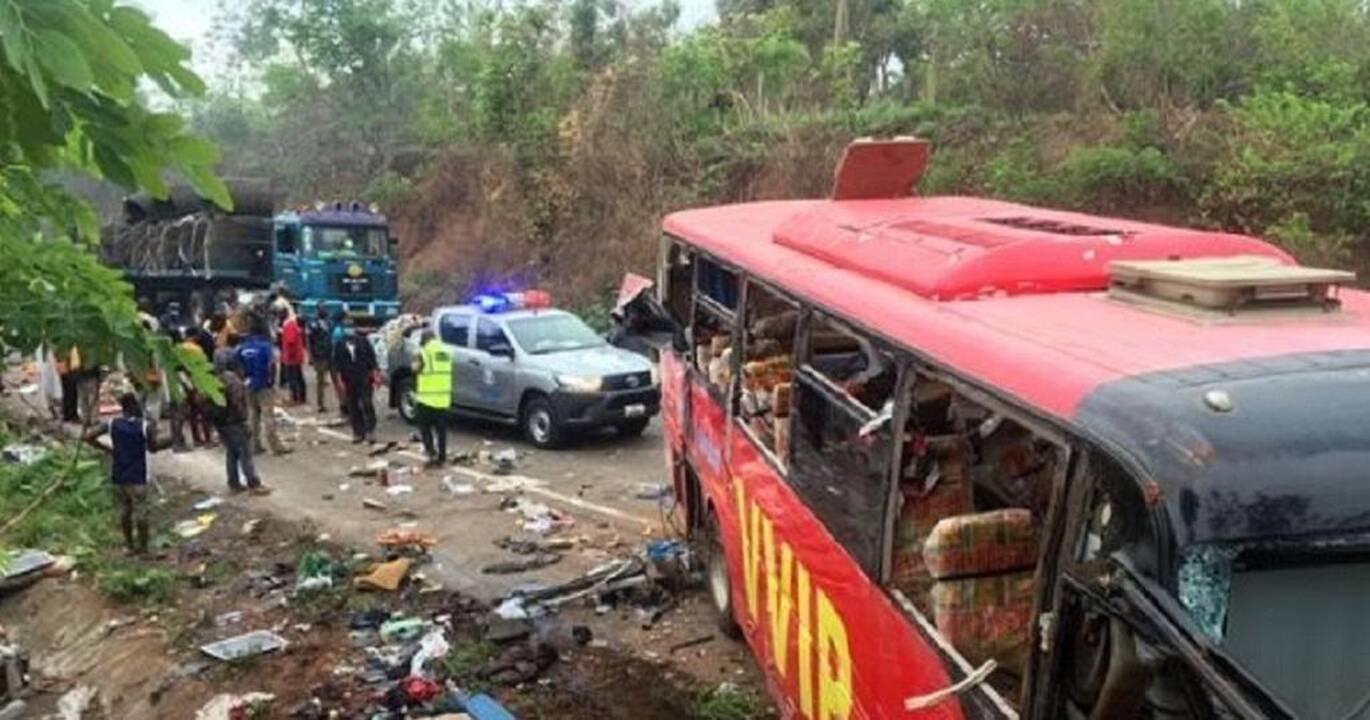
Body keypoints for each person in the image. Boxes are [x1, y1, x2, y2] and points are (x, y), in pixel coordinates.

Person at [83, 392, 168, 555]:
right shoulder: (144, 426)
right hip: (139, 475)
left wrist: (108, 449)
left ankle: (129, 545)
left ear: (122, 408)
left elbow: (88, 436)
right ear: (137, 407)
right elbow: (153, 447)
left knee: (124, 510)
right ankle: (143, 547)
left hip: (119, 473)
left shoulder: (113, 423)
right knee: (141, 511)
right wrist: (171, 440)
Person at [208, 356, 269, 495]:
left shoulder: (212, 380)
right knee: (245, 452)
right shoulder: (231, 379)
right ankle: (253, 483)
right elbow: (237, 402)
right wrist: (244, 420)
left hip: (219, 422)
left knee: (232, 452)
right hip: (233, 421)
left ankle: (233, 483)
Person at [236, 321, 291, 455]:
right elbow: (272, 365)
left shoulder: (242, 347)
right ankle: (275, 446)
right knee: (268, 416)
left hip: (248, 384)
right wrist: (271, 381)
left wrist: (244, 380)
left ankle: (254, 445)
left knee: (252, 415)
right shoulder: (265, 347)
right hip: (263, 385)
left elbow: (237, 365)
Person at [332, 316, 379, 443]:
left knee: (367, 403)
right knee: (353, 406)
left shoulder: (363, 342)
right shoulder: (339, 345)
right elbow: (336, 365)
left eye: (351, 327)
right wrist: (339, 381)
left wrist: (375, 374)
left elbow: (372, 359)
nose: (349, 330)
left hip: (364, 378)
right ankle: (358, 432)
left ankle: (370, 430)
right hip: (349, 379)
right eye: (346, 327)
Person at [413, 329, 453, 467]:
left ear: (424, 340)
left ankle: (431, 453)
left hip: (427, 399)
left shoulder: (423, 353)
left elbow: (415, 369)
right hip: (443, 398)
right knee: (441, 430)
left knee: (424, 427)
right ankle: (442, 456)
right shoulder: (447, 352)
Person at [306, 305, 334, 413]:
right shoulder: (313, 323)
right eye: (322, 308)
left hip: (329, 353)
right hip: (319, 355)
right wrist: (310, 356)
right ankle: (320, 404)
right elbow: (309, 340)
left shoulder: (329, 322)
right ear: (318, 310)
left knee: (336, 378)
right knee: (320, 380)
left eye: (325, 308)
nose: (324, 310)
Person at [280, 311, 307, 405]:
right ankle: (302, 397)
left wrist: (289, 356)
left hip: (292, 357)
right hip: (297, 355)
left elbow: (290, 341)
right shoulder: (293, 325)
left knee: (293, 378)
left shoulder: (288, 326)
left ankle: (295, 398)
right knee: (299, 376)